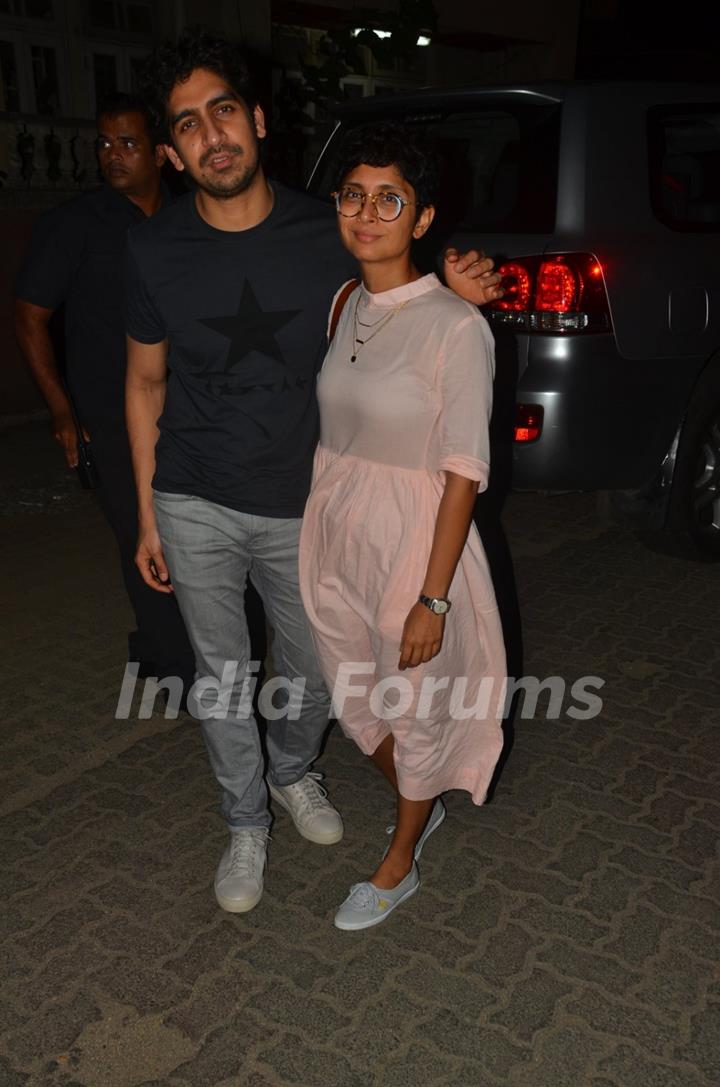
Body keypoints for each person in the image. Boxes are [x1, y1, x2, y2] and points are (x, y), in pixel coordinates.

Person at [124, 29, 504, 916]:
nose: (211, 134)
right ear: (175, 152)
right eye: (187, 125)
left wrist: (467, 291)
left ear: (256, 121)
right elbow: (144, 380)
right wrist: (147, 511)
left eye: (224, 111)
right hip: (190, 495)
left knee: (313, 672)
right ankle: (245, 818)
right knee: (222, 676)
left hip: (305, 504)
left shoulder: (329, 227)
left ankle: (295, 771)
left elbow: (403, 288)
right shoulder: (152, 248)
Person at [298, 122, 506, 930]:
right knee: (357, 696)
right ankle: (422, 791)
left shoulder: (457, 325)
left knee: (415, 707)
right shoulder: (345, 300)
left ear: (422, 220)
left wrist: (435, 597)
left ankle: (400, 859)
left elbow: (463, 471)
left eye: (391, 198)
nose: (368, 212)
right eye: (354, 194)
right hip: (335, 525)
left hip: (417, 541)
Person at [14, 92, 195, 697]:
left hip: (188, 406)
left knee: (191, 529)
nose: (113, 155)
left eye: (128, 143)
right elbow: (29, 316)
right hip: (109, 413)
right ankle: (177, 668)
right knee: (140, 533)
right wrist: (61, 409)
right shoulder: (73, 224)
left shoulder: (186, 217)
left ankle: (154, 646)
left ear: (163, 154)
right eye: (104, 143)